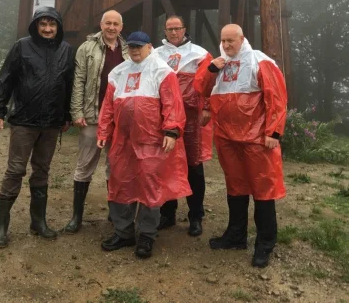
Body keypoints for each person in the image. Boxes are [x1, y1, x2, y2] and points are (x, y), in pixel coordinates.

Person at [194, 24, 287, 268]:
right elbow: (200, 90)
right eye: (223, 40)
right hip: (226, 138)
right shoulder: (218, 63)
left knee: (263, 188)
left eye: (230, 41)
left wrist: (274, 131)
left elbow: (276, 96)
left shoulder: (259, 60)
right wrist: (210, 69)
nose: (226, 45)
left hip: (256, 140)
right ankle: (236, 236)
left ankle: (265, 243)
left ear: (241, 39)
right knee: (235, 187)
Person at [97, 31, 191, 258]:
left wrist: (171, 130)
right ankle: (124, 231)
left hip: (152, 142)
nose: (135, 50)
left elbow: (172, 103)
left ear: (149, 46)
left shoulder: (162, 70)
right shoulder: (118, 72)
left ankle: (147, 235)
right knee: (120, 184)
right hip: (123, 142)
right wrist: (103, 130)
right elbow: (108, 105)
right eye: (131, 46)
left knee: (150, 187)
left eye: (139, 46)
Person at [0, 7, 74, 248]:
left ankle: (38, 222)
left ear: (58, 27)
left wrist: (66, 115)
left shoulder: (66, 50)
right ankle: (1, 228)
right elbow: (5, 78)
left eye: (52, 25)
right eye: (43, 24)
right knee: (15, 170)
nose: (48, 29)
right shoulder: (22, 46)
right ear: (35, 26)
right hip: (24, 120)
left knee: (42, 170)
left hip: (51, 122)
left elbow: (68, 84)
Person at [64, 10, 129, 234]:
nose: (111, 27)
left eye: (116, 24)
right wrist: (76, 112)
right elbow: (78, 81)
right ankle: (76, 216)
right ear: (101, 24)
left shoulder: (129, 50)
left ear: (121, 27)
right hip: (93, 115)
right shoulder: (87, 48)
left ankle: (114, 212)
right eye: (107, 23)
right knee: (85, 166)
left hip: (119, 119)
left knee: (115, 167)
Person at [154, 15, 214, 236]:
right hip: (164, 116)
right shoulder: (155, 54)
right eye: (169, 29)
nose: (173, 32)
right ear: (165, 31)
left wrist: (207, 107)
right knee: (165, 164)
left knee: (193, 166)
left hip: (190, 118)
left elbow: (209, 81)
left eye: (177, 28)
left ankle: (196, 216)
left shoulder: (199, 53)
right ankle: (167, 213)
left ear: (184, 29)